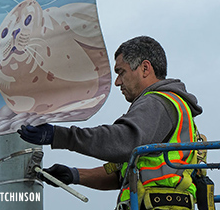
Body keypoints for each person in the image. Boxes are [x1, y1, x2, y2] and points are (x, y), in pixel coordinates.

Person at [18, 36, 203, 209]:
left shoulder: (157, 102)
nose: (117, 82)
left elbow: (123, 141)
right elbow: (120, 174)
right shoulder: (168, 108)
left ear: (145, 68)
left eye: (121, 72)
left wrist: (59, 136)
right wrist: (74, 174)